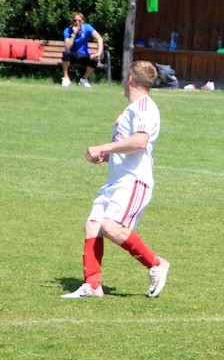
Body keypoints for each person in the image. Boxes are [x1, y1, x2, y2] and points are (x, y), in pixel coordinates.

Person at [62, 60, 170, 299]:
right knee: (93, 223)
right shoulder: (132, 109)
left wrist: (102, 147)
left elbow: (140, 142)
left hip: (133, 180)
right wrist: (107, 156)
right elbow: (130, 146)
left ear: (130, 79)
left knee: (111, 226)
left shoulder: (143, 107)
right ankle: (92, 284)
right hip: (117, 180)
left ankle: (156, 264)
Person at [61, 11, 104, 88]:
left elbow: (99, 38)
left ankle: (84, 79)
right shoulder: (67, 30)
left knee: (94, 60)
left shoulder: (87, 28)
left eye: (79, 20)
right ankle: (66, 78)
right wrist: (74, 34)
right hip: (72, 56)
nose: (77, 22)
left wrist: (98, 53)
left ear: (83, 21)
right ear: (72, 21)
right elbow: (67, 47)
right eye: (75, 20)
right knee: (66, 53)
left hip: (84, 56)